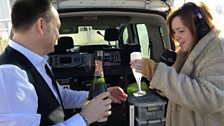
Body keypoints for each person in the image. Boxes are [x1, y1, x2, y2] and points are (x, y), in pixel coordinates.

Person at [0, 0, 128, 126]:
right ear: (41, 25)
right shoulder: (10, 74)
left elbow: (60, 96)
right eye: (57, 27)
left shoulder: (37, 61)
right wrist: (85, 118)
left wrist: (97, 96)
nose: (59, 36)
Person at [130, 2, 224, 126]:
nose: (176, 37)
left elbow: (212, 97)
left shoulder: (218, 48)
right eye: (174, 32)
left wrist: (156, 72)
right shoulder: (184, 53)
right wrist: (160, 83)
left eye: (181, 30)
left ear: (200, 28)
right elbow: (180, 88)